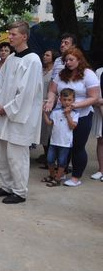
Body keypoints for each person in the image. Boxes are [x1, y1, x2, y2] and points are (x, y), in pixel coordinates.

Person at [0, 21, 43, 204]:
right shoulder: (11, 59)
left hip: (20, 116)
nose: (9, 37)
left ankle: (19, 191)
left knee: (16, 155)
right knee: (2, 153)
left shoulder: (33, 60)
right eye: (9, 34)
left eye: (13, 34)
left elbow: (27, 93)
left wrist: (7, 108)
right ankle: (6, 186)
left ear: (24, 36)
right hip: (4, 113)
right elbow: (1, 86)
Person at [45, 47, 100, 187]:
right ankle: (62, 172)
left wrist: (76, 105)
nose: (68, 63)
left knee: (77, 146)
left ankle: (76, 176)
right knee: (63, 145)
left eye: (71, 60)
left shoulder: (88, 74)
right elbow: (52, 90)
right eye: (66, 60)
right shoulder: (62, 74)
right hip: (62, 114)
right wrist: (51, 100)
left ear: (79, 60)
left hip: (82, 115)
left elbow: (94, 97)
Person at [41, 88, 78, 187]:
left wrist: (68, 115)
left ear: (73, 100)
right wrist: (45, 113)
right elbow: (50, 123)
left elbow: (72, 126)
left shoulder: (75, 113)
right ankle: (52, 175)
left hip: (65, 142)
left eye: (69, 100)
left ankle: (58, 178)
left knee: (62, 162)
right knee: (50, 159)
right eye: (64, 100)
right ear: (60, 100)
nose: (66, 102)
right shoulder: (56, 111)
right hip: (54, 141)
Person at [39, 49, 59, 166]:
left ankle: (50, 159)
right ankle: (45, 155)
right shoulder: (41, 70)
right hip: (38, 104)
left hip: (48, 104)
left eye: (47, 55)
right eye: (44, 54)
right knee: (41, 131)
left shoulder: (54, 73)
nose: (44, 57)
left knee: (48, 131)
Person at [90, 66, 103, 181]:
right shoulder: (99, 71)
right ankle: (101, 170)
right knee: (101, 141)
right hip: (100, 110)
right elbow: (95, 91)